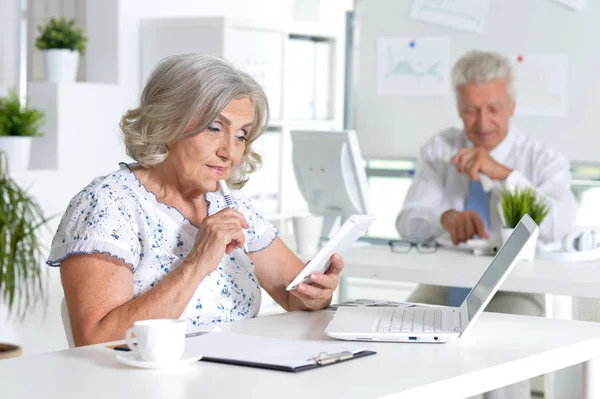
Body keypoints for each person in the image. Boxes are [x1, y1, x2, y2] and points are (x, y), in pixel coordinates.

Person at [48, 53, 344, 347]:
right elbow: (95, 340)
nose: (229, 151)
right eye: (214, 128)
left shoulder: (231, 206)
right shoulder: (109, 205)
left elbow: (295, 296)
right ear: (168, 122)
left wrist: (319, 293)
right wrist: (198, 261)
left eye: (241, 135)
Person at [396, 50, 577, 399]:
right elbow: (408, 222)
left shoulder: (542, 158)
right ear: (458, 108)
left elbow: (560, 227)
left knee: (500, 360)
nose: (482, 123)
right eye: (470, 110)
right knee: (405, 347)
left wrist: (506, 176)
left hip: (515, 287)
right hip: (443, 281)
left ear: (512, 106)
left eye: (494, 109)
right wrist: (445, 219)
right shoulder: (440, 148)